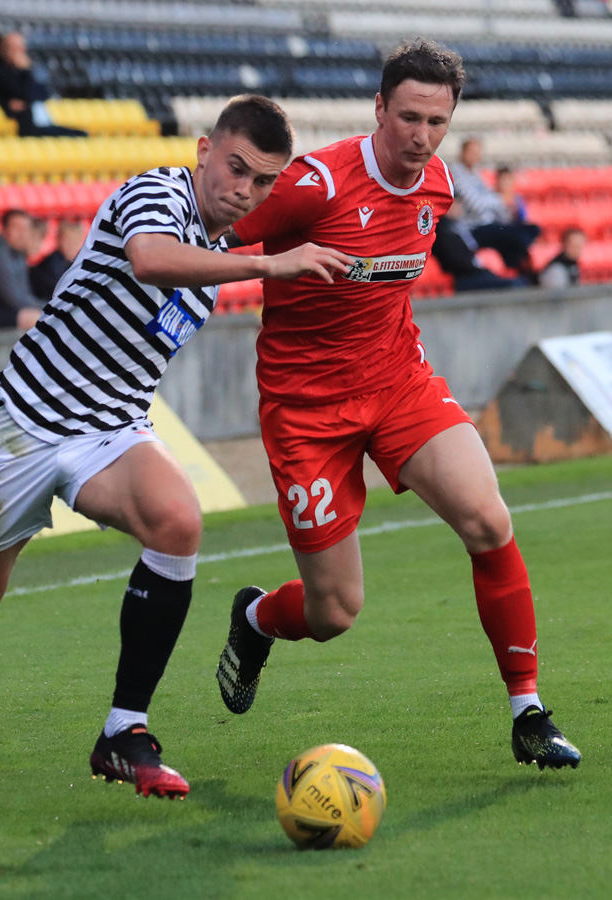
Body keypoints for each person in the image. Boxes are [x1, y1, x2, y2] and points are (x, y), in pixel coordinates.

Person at [0, 94, 350, 805]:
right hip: (27, 418)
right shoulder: (156, 192)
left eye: (262, 181)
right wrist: (269, 268)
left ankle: (124, 731)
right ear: (205, 150)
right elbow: (148, 261)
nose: (243, 189)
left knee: (179, 520)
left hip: (110, 427)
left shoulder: (219, 248)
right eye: (236, 167)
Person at [215, 39, 581, 772]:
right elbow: (215, 233)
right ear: (378, 108)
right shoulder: (313, 185)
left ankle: (528, 712)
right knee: (334, 613)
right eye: (408, 117)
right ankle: (256, 619)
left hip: (396, 382)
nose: (421, 136)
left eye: (437, 122)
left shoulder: (437, 183)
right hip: (305, 409)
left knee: (488, 518)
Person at [450, 138, 540, 276]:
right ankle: (523, 274)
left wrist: (499, 203)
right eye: (472, 152)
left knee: (531, 230)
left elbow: (491, 204)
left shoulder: (475, 175)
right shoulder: (455, 173)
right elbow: (476, 204)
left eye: (477, 153)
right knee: (517, 237)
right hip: (473, 228)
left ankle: (519, 273)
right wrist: (501, 199)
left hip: (490, 224)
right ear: (463, 152)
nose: (475, 156)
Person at [0, 32, 88, 138]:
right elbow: (24, 93)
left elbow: (42, 94)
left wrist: (26, 99)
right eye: (15, 49)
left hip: (42, 122)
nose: (21, 53)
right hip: (28, 128)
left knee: (81, 134)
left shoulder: (24, 74)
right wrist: (25, 71)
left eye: (22, 48)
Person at [432, 199, 531, 292]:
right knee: (514, 285)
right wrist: (474, 262)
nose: (459, 207)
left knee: (520, 281)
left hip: (473, 273)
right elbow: (455, 260)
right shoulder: (443, 230)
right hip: (461, 278)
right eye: (455, 204)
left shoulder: (457, 228)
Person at [30, 220, 86, 301]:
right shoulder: (52, 263)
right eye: (68, 240)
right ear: (59, 240)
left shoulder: (74, 263)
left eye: (75, 241)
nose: (71, 245)